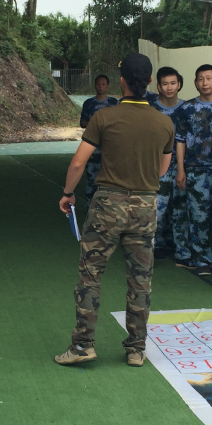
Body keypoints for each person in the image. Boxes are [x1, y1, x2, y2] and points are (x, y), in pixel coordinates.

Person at [55, 53, 174, 368]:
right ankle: (136, 348)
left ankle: (83, 346)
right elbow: (163, 169)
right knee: (140, 278)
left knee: (91, 275)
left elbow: (79, 161)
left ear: (122, 82)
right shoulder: (165, 122)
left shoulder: (104, 117)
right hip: (146, 206)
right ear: (150, 81)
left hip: (109, 204)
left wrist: (68, 193)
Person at [172, 64, 212, 275]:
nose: (205, 83)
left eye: (209, 79)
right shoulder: (186, 109)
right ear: (195, 83)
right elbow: (180, 140)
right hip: (195, 170)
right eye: (200, 79)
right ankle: (202, 259)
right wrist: (181, 170)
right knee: (198, 217)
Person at [147, 67, 183, 258]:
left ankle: (181, 250)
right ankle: (151, 248)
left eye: (173, 83)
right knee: (156, 210)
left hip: (183, 167)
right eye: (165, 84)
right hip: (158, 168)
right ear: (158, 86)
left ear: (179, 85)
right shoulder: (150, 110)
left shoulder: (187, 108)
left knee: (180, 211)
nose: (169, 88)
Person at [80, 75, 121, 206]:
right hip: (93, 147)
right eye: (98, 84)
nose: (101, 87)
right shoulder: (89, 104)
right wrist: (95, 122)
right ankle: (90, 205)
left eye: (103, 84)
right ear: (94, 86)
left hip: (110, 148)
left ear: (107, 86)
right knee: (92, 178)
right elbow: (82, 123)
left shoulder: (114, 103)